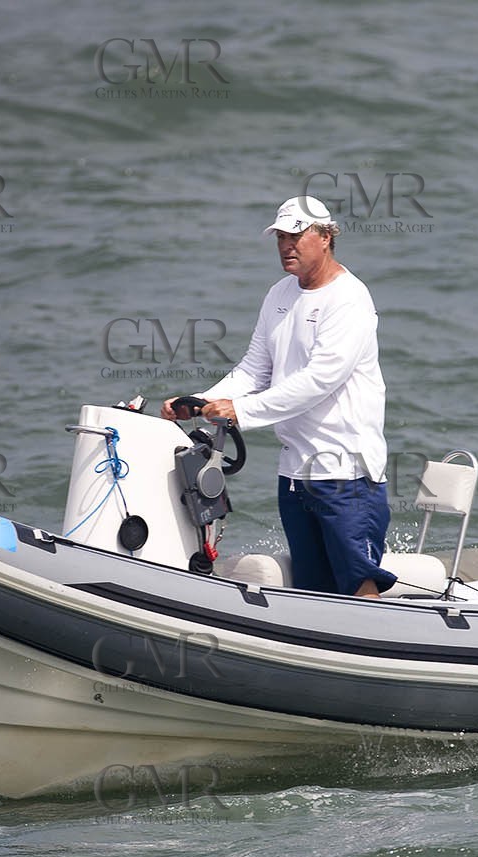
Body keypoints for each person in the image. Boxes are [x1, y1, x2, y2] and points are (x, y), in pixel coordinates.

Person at [163, 195, 395, 597]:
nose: (287, 246)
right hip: (294, 474)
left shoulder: (349, 298)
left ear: (325, 237)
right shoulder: (279, 294)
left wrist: (241, 411)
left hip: (346, 471)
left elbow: (319, 380)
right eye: (280, 238)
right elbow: (254, 369)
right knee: (313, 589)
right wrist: (199, 403)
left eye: (295, 236)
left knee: (360, 583)